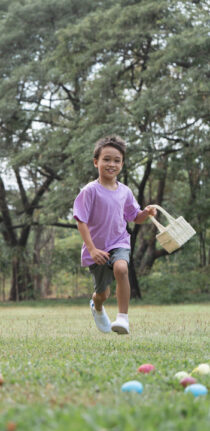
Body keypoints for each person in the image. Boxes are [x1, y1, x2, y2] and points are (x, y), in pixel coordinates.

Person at [73, 135, 157, 335]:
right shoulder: (89, 191)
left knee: (121, 268)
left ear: (122, 164)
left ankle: (123, 319)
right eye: (106, 159)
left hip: (119, 242)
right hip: (97, 249)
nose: (112, 164)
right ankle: (97, 306)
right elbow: (81, 221)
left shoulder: (125, 192)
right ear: (96, 162)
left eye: (117, 160)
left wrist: (145, 213)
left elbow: (134, 217)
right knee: (103, 293)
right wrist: (92, 249)